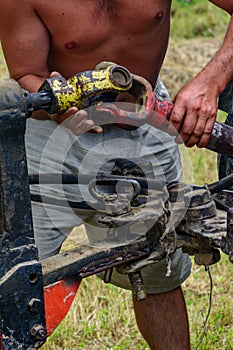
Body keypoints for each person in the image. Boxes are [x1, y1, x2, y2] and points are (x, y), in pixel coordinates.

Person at [0, 1, 233, 349]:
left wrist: (210, 82)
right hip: (51, 136)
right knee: (13, 278)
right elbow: (26, 74)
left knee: (159, 274)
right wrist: (56, 104)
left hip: (145, 123)